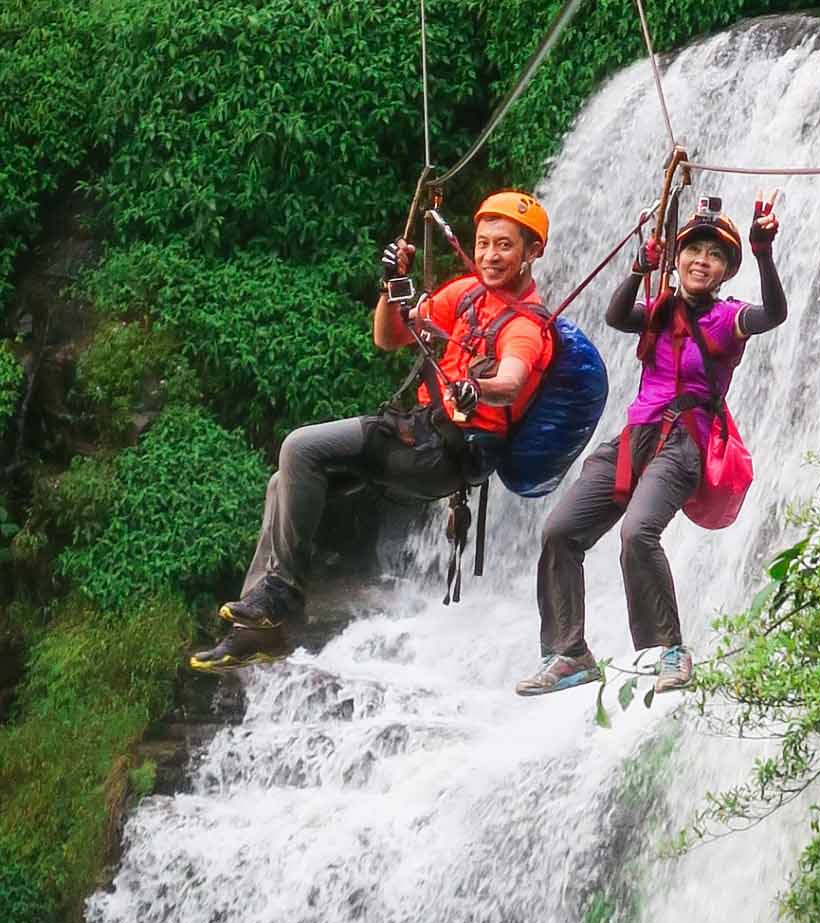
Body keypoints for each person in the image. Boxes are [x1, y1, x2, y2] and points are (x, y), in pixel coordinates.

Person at [190, 192, 555, 672]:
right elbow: (389, 337)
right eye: (484, 243)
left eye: (505, 246)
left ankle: (283, 594)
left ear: (531, 253)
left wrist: (475, 389)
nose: (490, 255)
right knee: (283, 483)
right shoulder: (464, 294)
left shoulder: (526, 324)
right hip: (419, 435)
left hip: (443, 452)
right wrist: (390, 287)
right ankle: (255, 633)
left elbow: (510, 381)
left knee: (299, 446)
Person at [517, 197, 786, 698]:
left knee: (638, 533)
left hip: (685, 440)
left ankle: (670, 650)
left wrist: (764, 253)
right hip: (633, 438)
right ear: (678, 260)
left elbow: (773, 313)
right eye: (693, 251)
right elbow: (617, 315)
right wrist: (639, 268)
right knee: (560, 531)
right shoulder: (660, 309)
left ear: (726, 271)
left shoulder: (728, 319)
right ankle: (569, 652)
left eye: (714, 256)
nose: (701, 261)